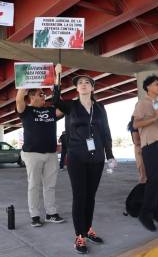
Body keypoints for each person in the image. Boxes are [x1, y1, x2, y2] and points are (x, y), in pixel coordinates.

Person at [53, 64, 115, 254]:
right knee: (80, 196)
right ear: (77, 88)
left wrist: (110, 154)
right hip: (76, 157)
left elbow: (105, 131)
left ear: (92, 87)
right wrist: (57, 77)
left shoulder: (99, 108)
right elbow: (56, 100)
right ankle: (79, 235)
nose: (83, 84)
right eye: (80, 83)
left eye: (87, 82)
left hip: (96, 158)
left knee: (90, 196)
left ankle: (88, 229)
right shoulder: (71, 106)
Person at [16, 88, 65, 228]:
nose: (44, 96)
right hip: (32, 154)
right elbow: (19, 101)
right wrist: (22, 88)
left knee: (50, 185)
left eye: (44, 94)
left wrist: (55, 91)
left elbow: (63, 108)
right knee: (34, 185)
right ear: (31, 97)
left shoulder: (50, 111)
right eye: (41, 94)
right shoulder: (26, 111)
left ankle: (51, 213)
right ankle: (35, 216)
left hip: (50, 153)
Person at [133, 75, 158, 232]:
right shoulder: (142, 103)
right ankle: (145, 213)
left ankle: (156, 211)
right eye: (156, 84)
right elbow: (136, 123)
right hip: (150, 146)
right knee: (154, 181)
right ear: (148, 87)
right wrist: (154, 117)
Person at [127, 117, 147, 184]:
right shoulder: (135, 124)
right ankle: (142, 192)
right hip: (140, 150)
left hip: (143, 149)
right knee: (143, 175)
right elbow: (136, 141)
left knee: (146, 175)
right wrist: (150, 140)